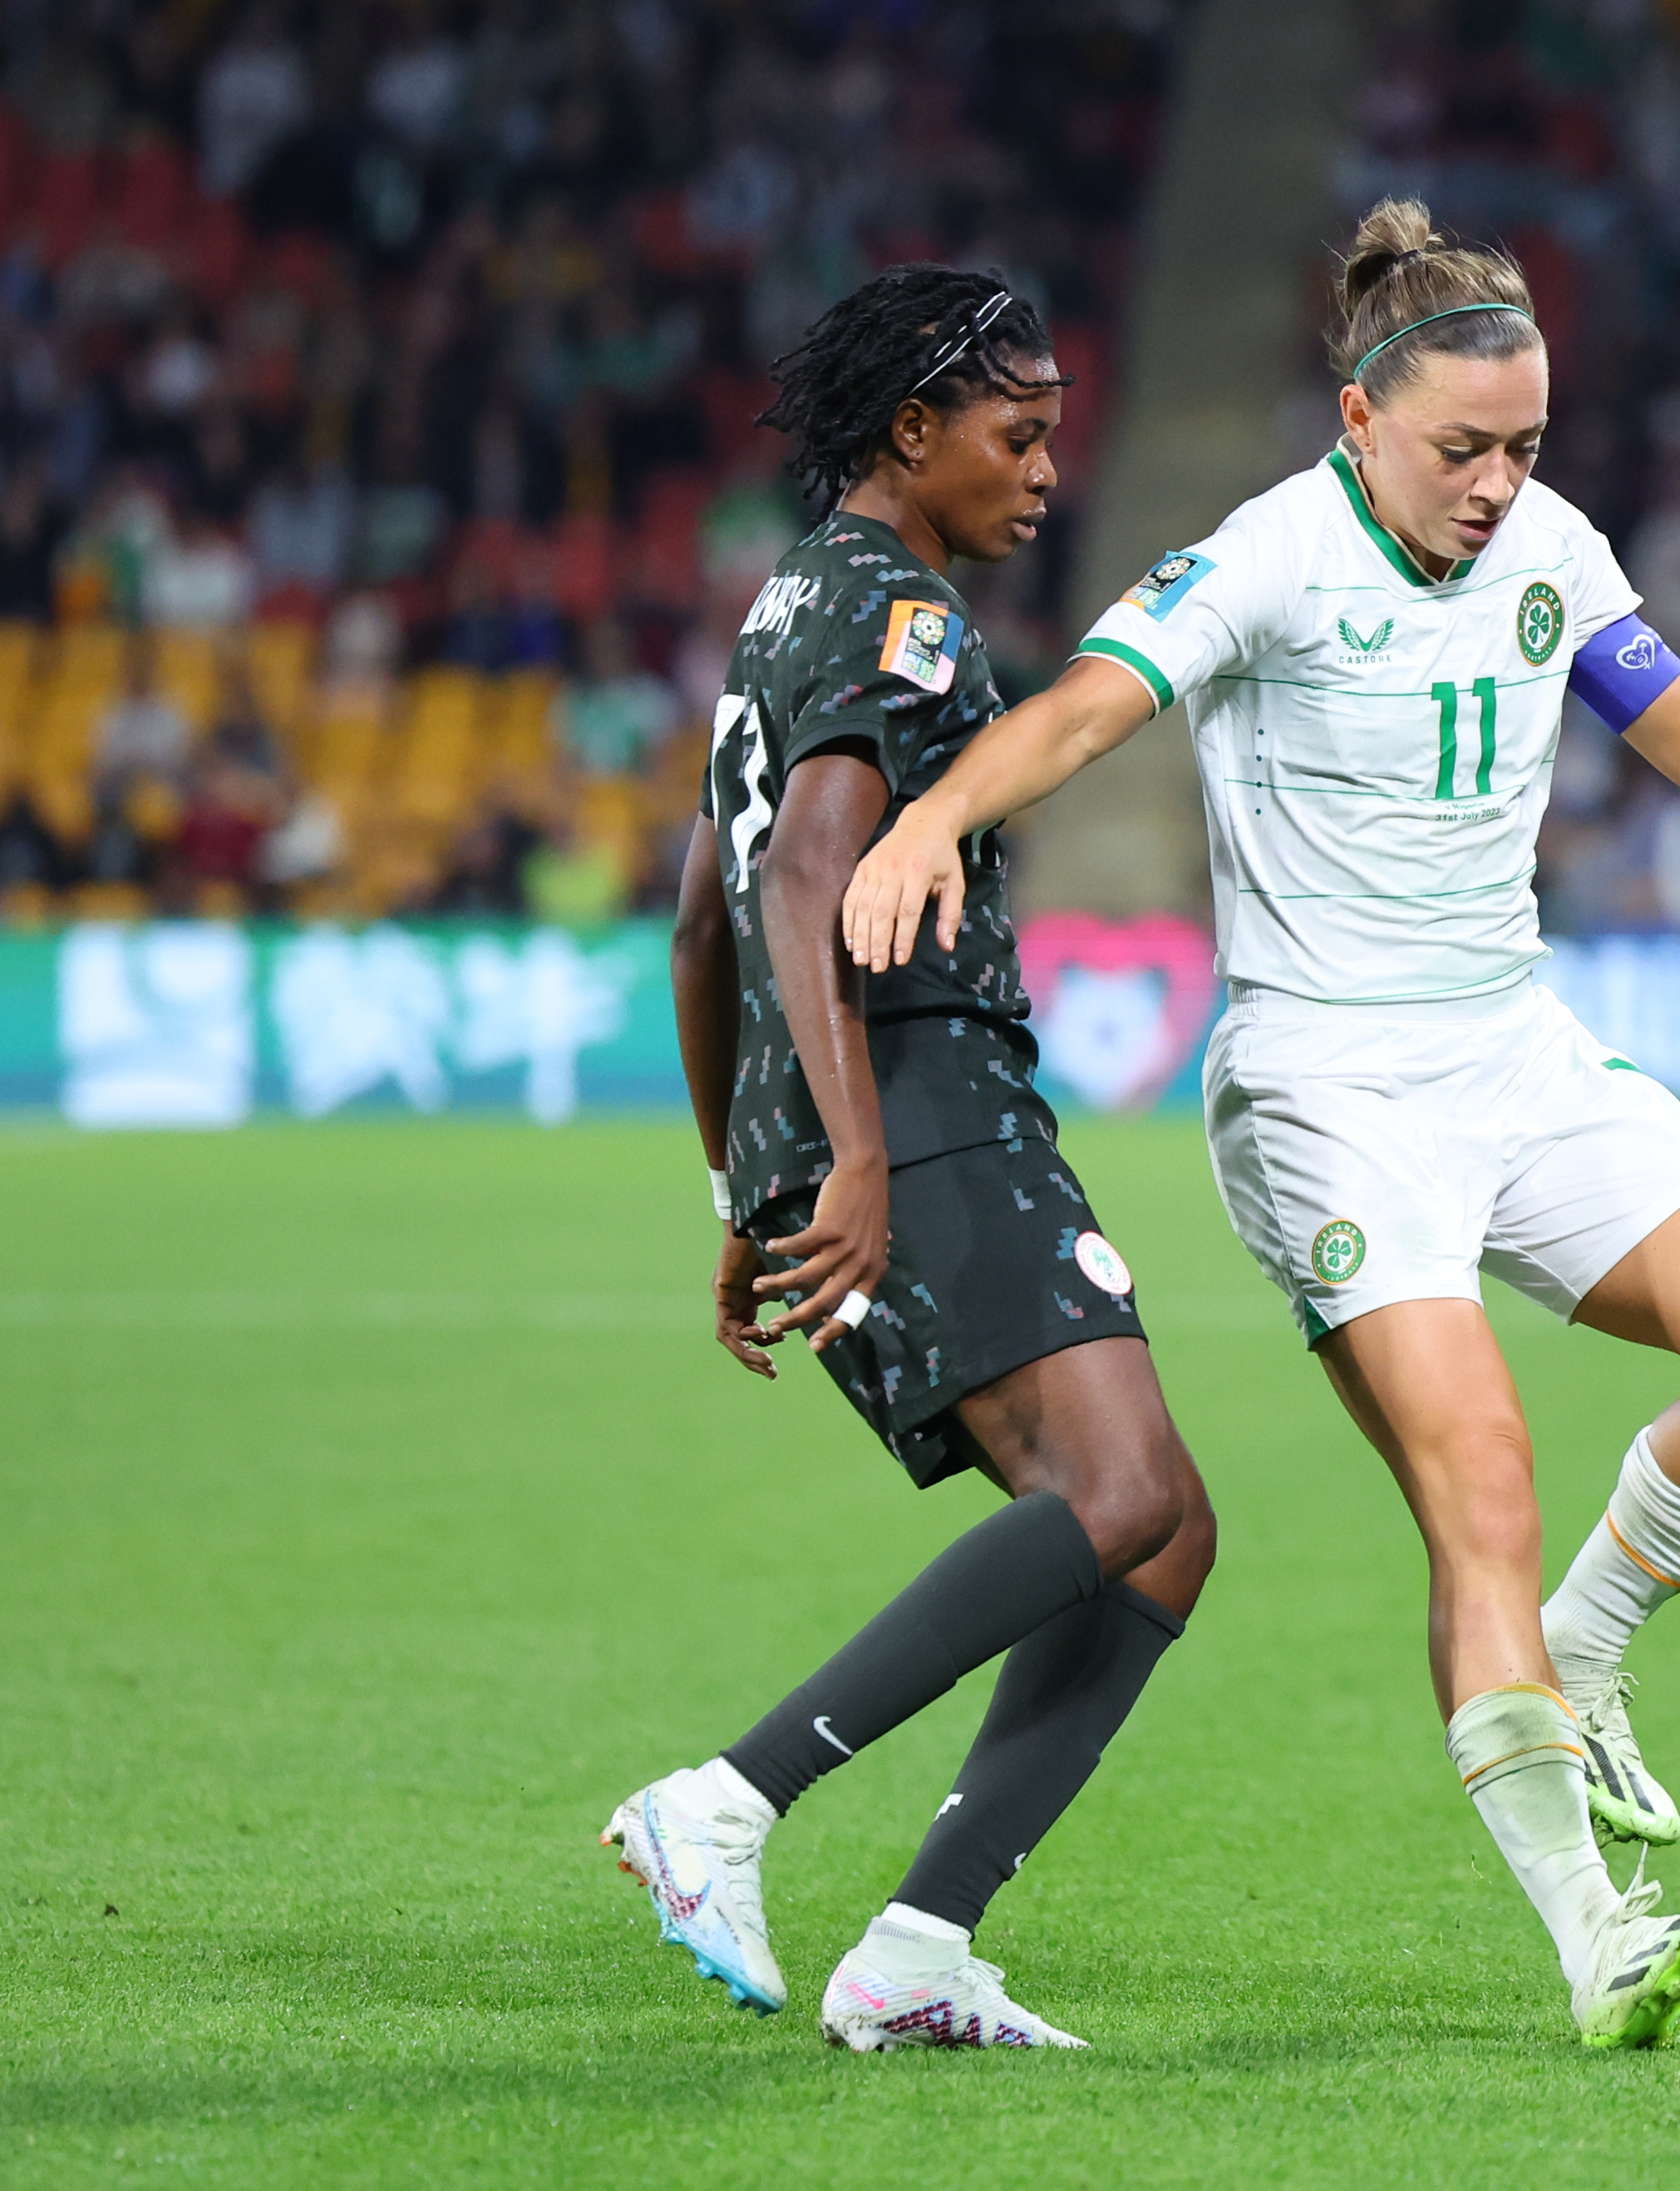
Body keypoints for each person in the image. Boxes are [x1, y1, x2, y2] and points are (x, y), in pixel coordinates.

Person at [840, 201, 1680, 2050]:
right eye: (1461, 449)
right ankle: (1592, 1936)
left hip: (1514, 1052)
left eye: (1525, 447)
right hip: (1327, 1087)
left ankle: (1586, 1649)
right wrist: (932, 823)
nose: (1496, 486)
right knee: (1478, 1480)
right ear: (1356, 418)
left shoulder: (1554, 545)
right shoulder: (1266, 561)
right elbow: (1087, 707)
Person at [613, 267, 1214, 2055]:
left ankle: (921, 1949)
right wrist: (853, 1163)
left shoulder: (780, 604)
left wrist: (749, 1184)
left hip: (845, 1121)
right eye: (1015, 436)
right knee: (1118, 1502)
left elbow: (695, 928)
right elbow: (801, 882)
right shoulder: (903, 617)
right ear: (912, 432)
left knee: (1164, 1538)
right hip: (922, 1098)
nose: (1041, 472)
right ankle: (722, 1803)